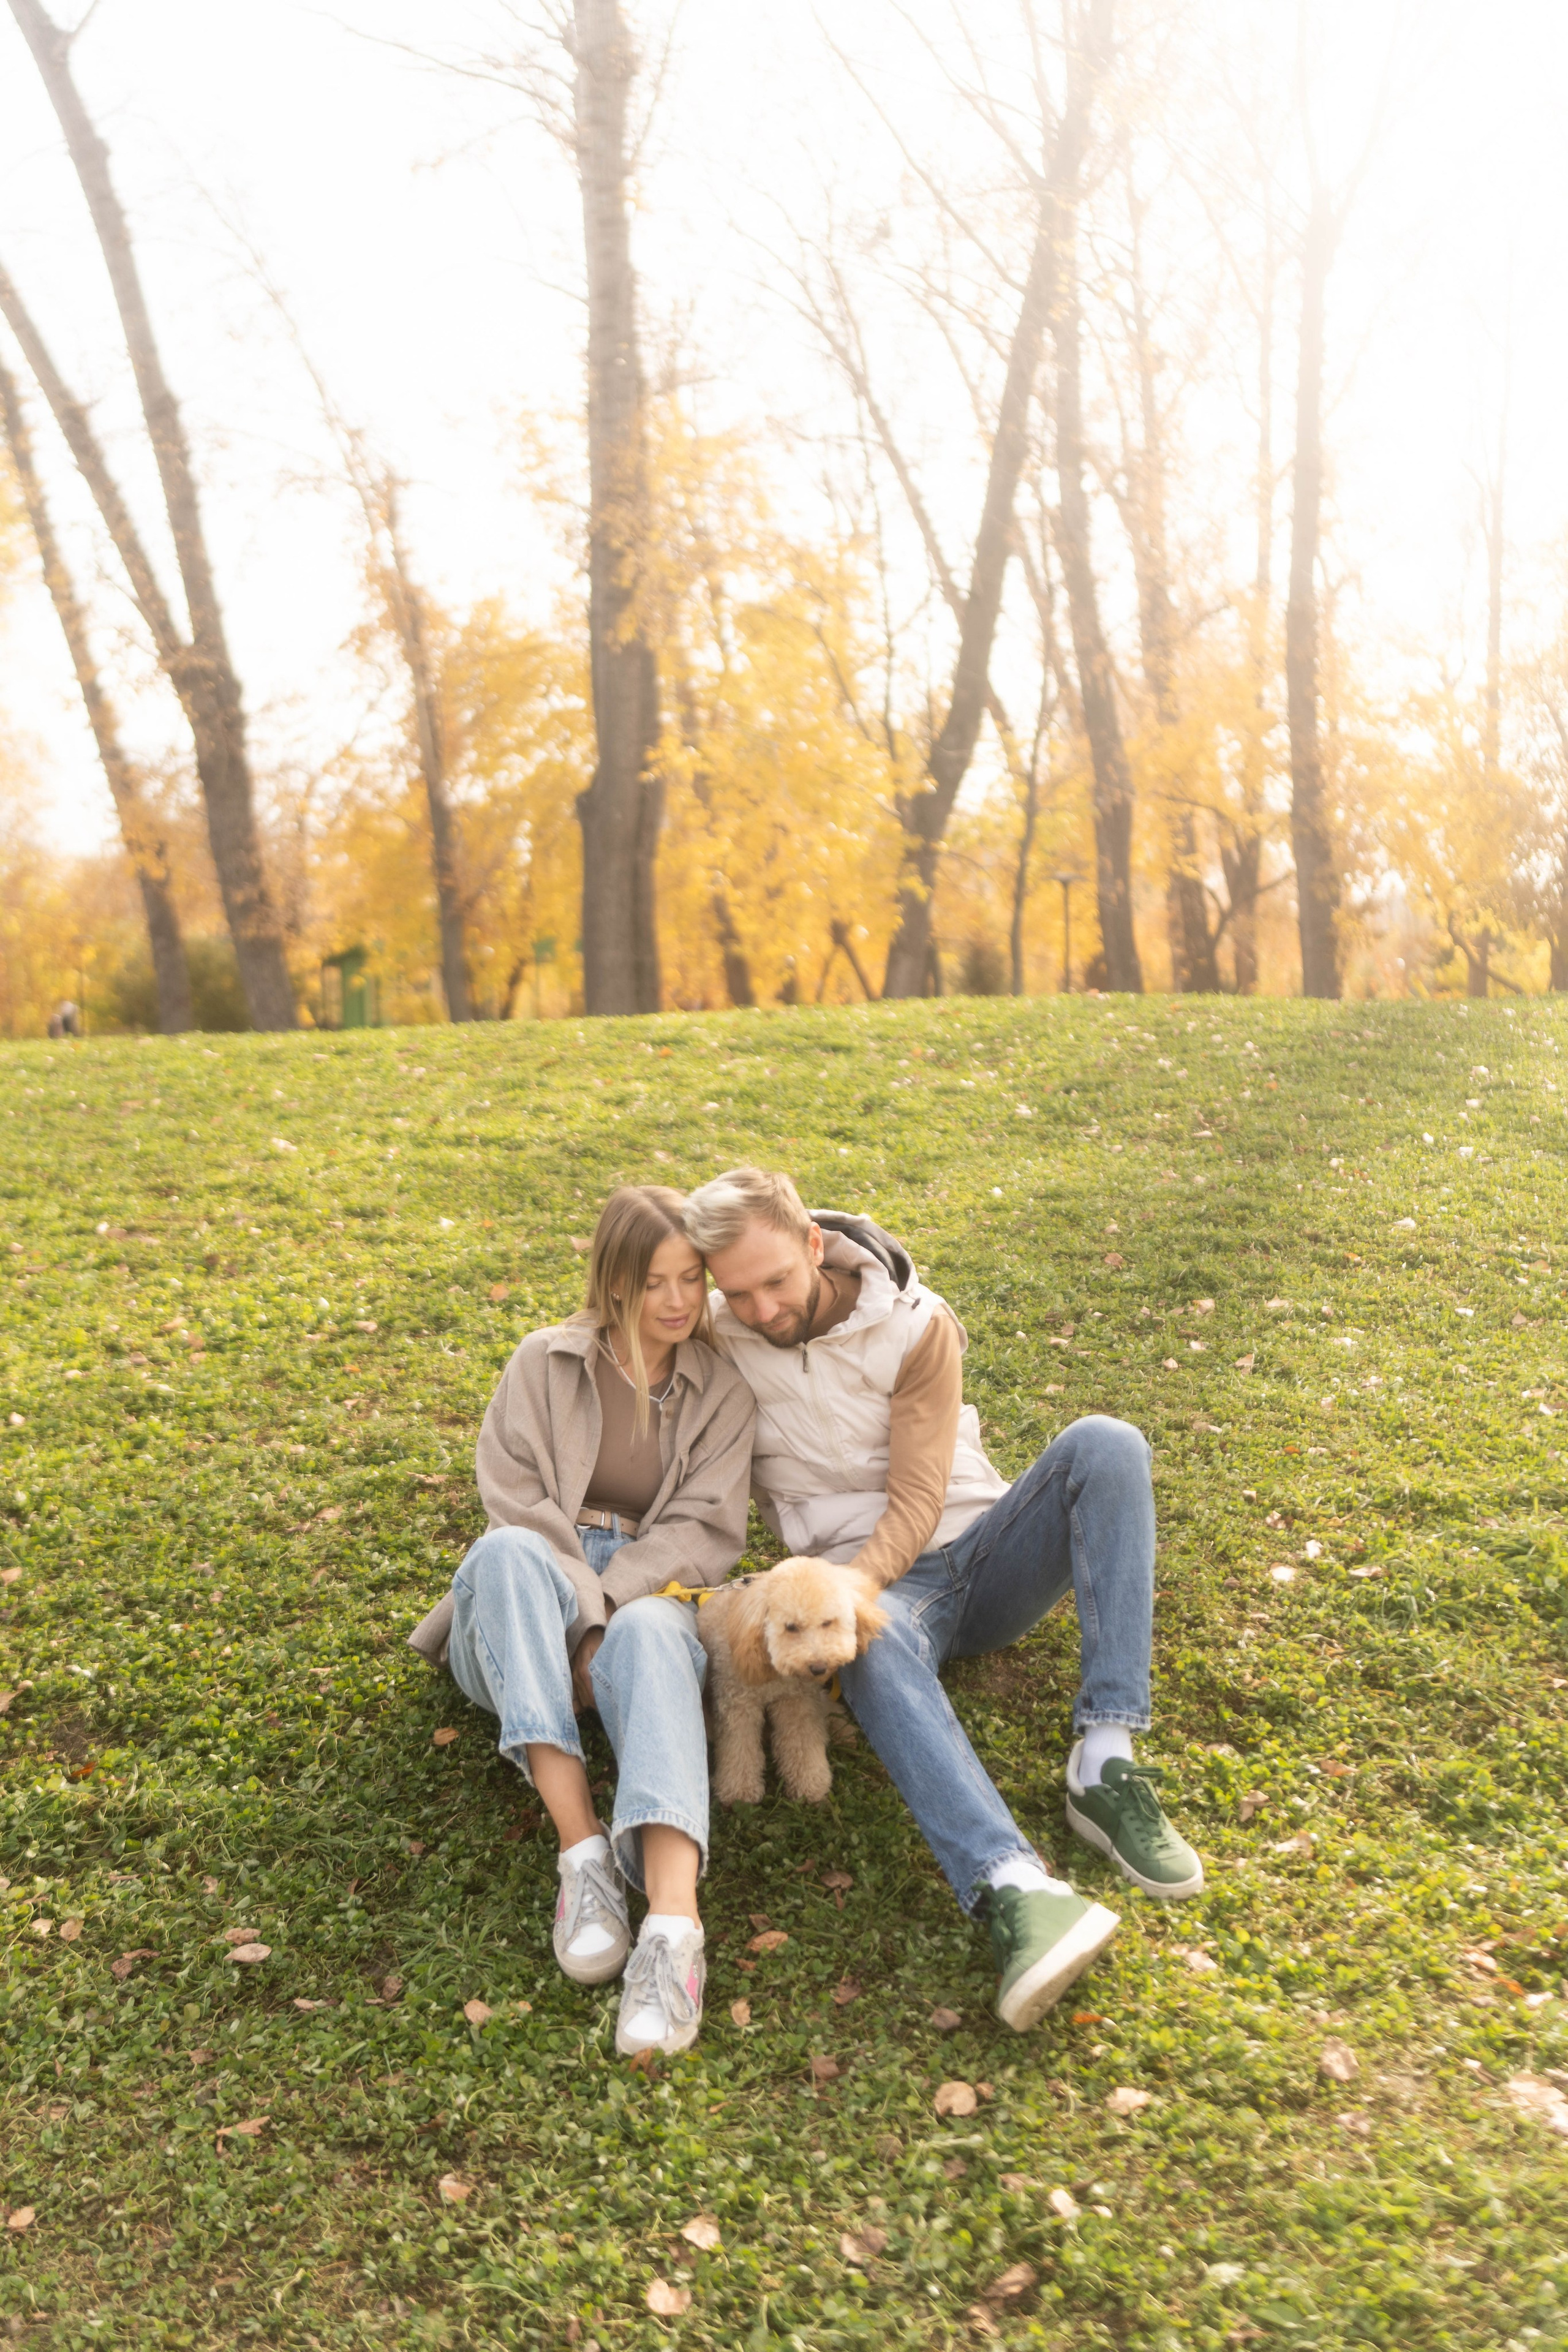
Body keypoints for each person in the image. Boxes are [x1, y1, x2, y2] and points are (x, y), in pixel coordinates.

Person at [682, 1166, 1204, 2034]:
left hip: (980, 1553)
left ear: (814, 1245)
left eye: (776, 1281)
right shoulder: (720, 1335)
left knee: (1104, 1445)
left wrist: (857, 1585)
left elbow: (921, 1496)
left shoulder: (917, 1325)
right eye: (738, 1293)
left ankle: (1105, 1759)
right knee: (872, 1647)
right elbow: (631, 1339)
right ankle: (1016, 1888)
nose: (763, 1309)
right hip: (878, 1603)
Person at [409, 1185, 755, 2056]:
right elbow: (514, 1502)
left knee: (647, 1630)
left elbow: (706, 1530)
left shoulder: (723, 1391)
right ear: (613, 1283)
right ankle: (583, 1857)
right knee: (505, 1556)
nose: (678, 1303)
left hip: (650, 1590)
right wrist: (580, 1609)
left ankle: (674, 1935)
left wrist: (612, 1611)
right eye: (654, 1283)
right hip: (530, 1609)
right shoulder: (544, 1362)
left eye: (692, 1281)